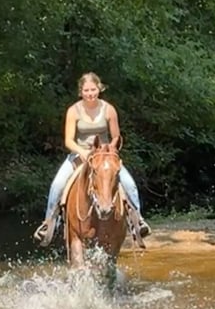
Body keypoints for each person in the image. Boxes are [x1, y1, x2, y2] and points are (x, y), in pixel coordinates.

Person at [33, 72, 151, 246]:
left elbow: (116, 136)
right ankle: (49, 223)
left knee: (130, 184)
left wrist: (110, 148)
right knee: (57, 185)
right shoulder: (73, 111)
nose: (90, 93)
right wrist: (82, 151)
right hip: (79, 154)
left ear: (99, 88)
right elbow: (68, 140)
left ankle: (137, 221)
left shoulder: (109, 109)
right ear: (81, 91)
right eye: (86, 90)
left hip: (104, 155)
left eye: (93, 89)